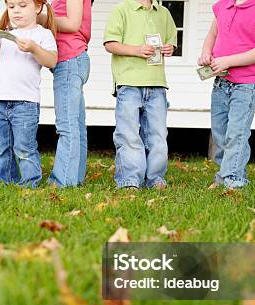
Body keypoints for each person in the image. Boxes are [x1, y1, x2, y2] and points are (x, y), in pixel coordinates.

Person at [198, 0, 255, 189]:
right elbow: (212, 34)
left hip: (246, 84)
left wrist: (228, 61)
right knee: (220, 133)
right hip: (221, 81)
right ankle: (227, 175)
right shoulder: (222, 5)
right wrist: (206, 52)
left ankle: (232, 178)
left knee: (237, 133)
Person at [0, 0, 57, 187]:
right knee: (1, 148)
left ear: (37, 8)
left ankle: (30, 182)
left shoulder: (42, 34)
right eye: (12, 7)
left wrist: (34, 48)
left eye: (22, 6)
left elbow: (51, 61)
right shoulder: (8, 34)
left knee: (24, 147)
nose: (16, 11)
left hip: (25, 102)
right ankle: (3, 180)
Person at [103, 0, 177, 189]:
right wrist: (136, 50)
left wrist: (170, 48)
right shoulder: (121, 10)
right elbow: (110, 44)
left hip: (157, 84)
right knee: (128, 134)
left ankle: (155, 178)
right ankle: (130, 179)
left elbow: (171, 41)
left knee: (158, 135)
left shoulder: (164, 13)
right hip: (128, 83)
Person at [42, 0, 92, 187]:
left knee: (67, 124)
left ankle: (63, 180)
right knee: (76, 124)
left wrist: (42, 18)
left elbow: (72, 24)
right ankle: (74, 177)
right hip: (74, 59)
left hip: (70, 59)